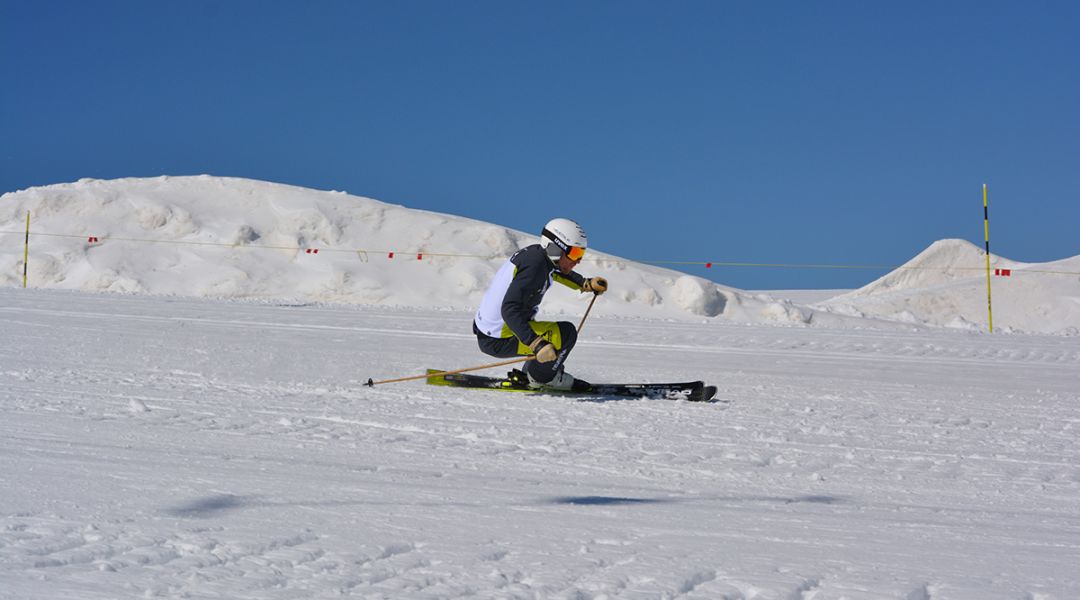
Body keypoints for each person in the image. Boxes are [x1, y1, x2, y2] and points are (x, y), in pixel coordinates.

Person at [473, 218, 608, 390]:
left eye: (580, 254)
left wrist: (584, 283)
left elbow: (558, 272)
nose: (578, 260)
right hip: (498, 338)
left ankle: (536, 371)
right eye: (574, 254)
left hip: (493, 331)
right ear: (556, 248)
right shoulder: (534, 267)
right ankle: (542, 378)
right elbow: (509, 309)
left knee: (551, 339)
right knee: (566, 334)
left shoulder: (539, 257)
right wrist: (537, 344)